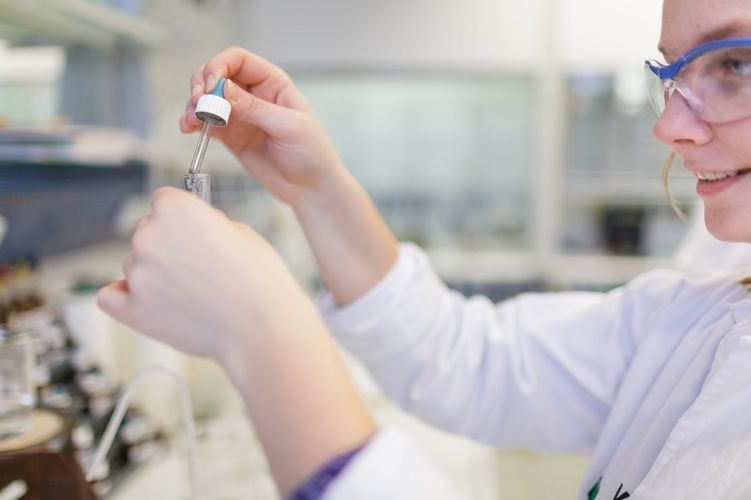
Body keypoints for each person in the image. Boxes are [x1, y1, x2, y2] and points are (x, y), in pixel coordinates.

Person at [97, 0, 751, 497]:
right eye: (671, 73)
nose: (667, 126)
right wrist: (319, 191)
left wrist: (260, 331)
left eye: (735, 64)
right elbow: (475, 362)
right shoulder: (707, 312)